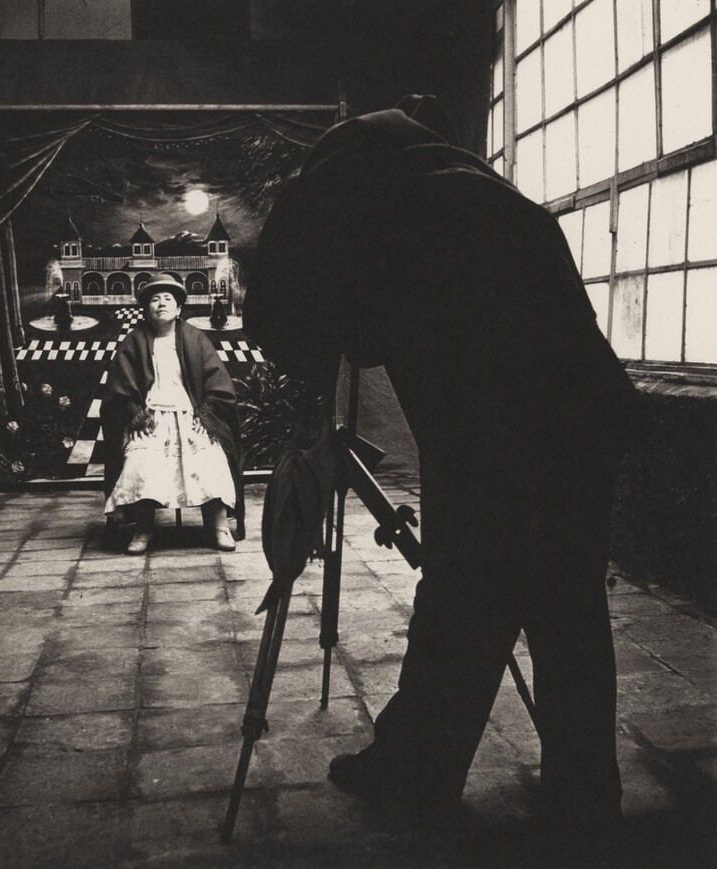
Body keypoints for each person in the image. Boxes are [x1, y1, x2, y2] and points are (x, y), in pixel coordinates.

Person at [244, 96, 642, 840]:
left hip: (507, 426)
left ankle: (419, 770)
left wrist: (312, 379)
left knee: (472, 593)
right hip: (580, 421)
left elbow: (329, 323)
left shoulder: (382, 203)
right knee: (559, 606)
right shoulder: (477, 194)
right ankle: (578, 794)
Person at [101, 273, 243, 554]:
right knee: (140, 460)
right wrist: (134, 411)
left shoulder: (195, 339)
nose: (161, 304)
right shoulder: (134, 341)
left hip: (192, 414)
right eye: (155, 299)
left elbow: (218, 382)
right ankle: (144, 528)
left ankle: (218, 526)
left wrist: (206, 412)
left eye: (168, 299)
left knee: (211, 457)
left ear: (179, 309)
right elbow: (120, 387)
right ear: (146, 309)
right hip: (150, 416)